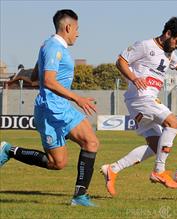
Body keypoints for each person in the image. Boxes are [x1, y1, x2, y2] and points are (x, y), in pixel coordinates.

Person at [100, 17, 177, 196]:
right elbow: (120, 61)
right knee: (174, 123)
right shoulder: (145, 46)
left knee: (156, 145)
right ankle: (159, 171)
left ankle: (113, 169)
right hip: (141, 98)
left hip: (143, 101)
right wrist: (134, 78)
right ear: (167, 34)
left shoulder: (169, 53)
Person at [0, 9, 99, 207]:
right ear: (68, 27)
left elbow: (36, 77)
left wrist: (21, 77)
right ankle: (8, 150)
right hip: (50, 111)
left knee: (91, 142)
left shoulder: (49, 45)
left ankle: (79, 197)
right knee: (57, 163)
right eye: (77, 29)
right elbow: (48, 81)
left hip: (62, 108)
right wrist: (77, 98)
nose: (78, 34)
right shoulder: (54, 47)